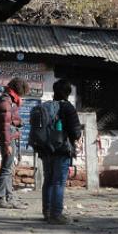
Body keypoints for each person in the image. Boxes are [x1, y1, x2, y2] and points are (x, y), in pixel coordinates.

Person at [38, 79, 82, 225]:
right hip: (62, 150)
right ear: (68, 93)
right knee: (58, 182)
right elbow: (76, 133)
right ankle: (56, 215)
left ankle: (47, 212)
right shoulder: (68, 108)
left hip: (45, 150)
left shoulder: (44, 106)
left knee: (48, 180)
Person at [0, 77, 30, 209]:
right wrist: (7, 144)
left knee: (9, 169)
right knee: (6, 169)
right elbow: (4, 125)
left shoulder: (10, 99)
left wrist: (18, 122)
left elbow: (9, 120)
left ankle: (9, 197)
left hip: (10, 137)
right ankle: (1, 199)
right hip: (7, 139)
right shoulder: (6, 101)